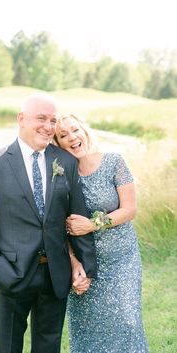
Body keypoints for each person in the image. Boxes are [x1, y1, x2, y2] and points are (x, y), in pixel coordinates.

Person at [0, 95, 97, 353]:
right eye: (41, 119)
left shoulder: (65, 162)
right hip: (10, 274)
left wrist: (86, 267)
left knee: (49, 348)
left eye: (52, 120)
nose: (48, 127)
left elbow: (77, 215)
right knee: (7, 347)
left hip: (55, 275)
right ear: (21, 119)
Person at [54, 113, 149, 353]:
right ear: (57, 144)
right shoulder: (61, 177)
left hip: (122, 261)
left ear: (84, 131)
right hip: (84, 265)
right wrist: (74, 263)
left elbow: (129, 210)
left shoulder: (114, 162)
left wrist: (92, 225)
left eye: (75, 130)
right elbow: (57, 228)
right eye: (63, 135)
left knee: (126, 322)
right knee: (87, 330)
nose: (72, 138)